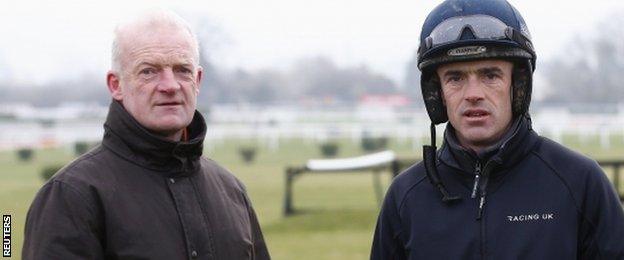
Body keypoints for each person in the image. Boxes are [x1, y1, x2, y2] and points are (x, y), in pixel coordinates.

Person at [371, 0, 624, 259]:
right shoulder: (405, 197)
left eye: (490, 75)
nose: (473, 94)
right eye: (455, 78)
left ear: (518, 85)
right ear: (437, 94)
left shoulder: (581, 183)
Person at [23, 10, 270, 260]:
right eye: (149, 71)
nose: (170, 85)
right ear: (115, 85)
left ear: (198, 80)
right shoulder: (71, 196)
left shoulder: (231, 190)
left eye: (182, 70)